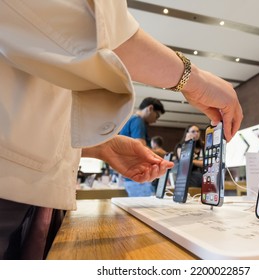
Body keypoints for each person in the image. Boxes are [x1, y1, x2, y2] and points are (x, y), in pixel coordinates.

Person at [0, 0, 243, 259]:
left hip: (32, 185)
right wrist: (192, 79)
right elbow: (86, 24)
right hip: (14, 188)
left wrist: (102, 146)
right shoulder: (138, 122)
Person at [118, 97, 166, 196]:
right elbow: (141, 148)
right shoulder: (137, 121)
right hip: (137, 178)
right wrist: (161, 153)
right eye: (156, 116)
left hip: (131, 177)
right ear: (150, 108)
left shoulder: (130, 120)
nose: (155, 120)